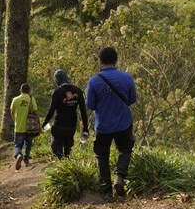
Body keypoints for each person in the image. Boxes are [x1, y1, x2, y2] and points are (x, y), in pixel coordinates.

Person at [86, 47, 137, 198]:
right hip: (123, 123)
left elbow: (90, 105)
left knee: (102, 156)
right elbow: (132, 99)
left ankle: (106, 190)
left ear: (100, 61)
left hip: (103, 125)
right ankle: (120, 177)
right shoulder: (126, 78)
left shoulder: (94, 81)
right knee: (125, 150)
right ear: (116, 60)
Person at [42, 69, 89, 159]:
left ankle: (60, 168)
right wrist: (85, 128)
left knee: (57, 151)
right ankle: (67, 165)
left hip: (59, 125)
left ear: (57, 80)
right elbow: (83, 110)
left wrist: (45, 123)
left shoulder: (57, 92)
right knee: (68, 149)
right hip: (71, 126)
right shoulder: (77, 91)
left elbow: (51, 110)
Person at [10, 83, 37, 170]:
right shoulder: (31, 98)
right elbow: (35, 112)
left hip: (18, 127)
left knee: (17, 144)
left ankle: (18, 155)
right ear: (29, 90)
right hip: (29, 127)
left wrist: (15, 121)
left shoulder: (15, 99)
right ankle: (26, 159)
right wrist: (39, 124)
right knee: (28, 143)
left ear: (20, 90)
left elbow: (12, 112)